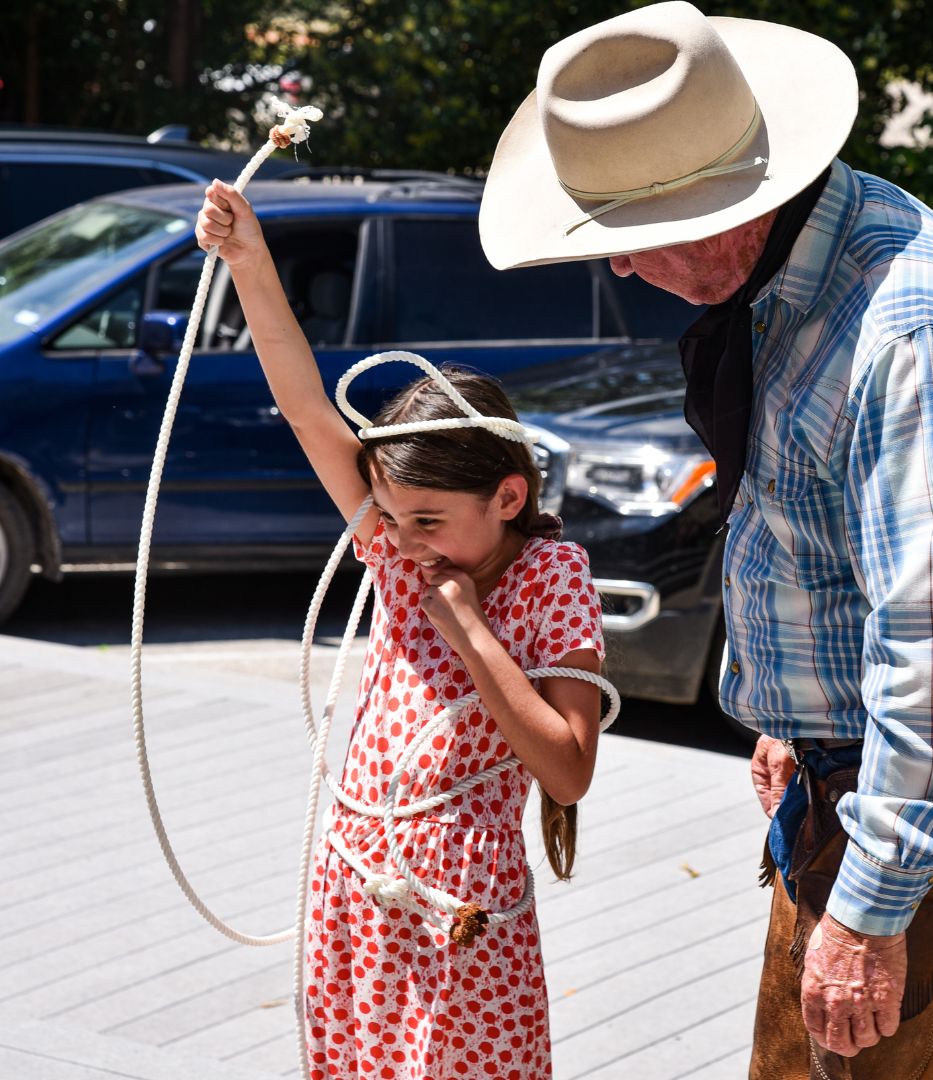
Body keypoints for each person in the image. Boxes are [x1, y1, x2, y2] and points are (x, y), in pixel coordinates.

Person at [478, 2, 933, 1078]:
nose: (617, 270)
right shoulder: (792, 276)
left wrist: (871, 909)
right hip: (850, 786)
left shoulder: (912, 329)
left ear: (730, 208)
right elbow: (824, 544)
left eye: (631, 236)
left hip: (918, 821)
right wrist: (795, 719)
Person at [196, 179, 607, 1080]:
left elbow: (568, 768)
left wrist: (467, 628)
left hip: (461, 910)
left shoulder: (552, 584)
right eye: (391, 515)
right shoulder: (395, 546)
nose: (403, 539)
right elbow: (309, 408)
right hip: (358, 880)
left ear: (508, 497)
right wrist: (249, 261)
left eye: (428, 519)